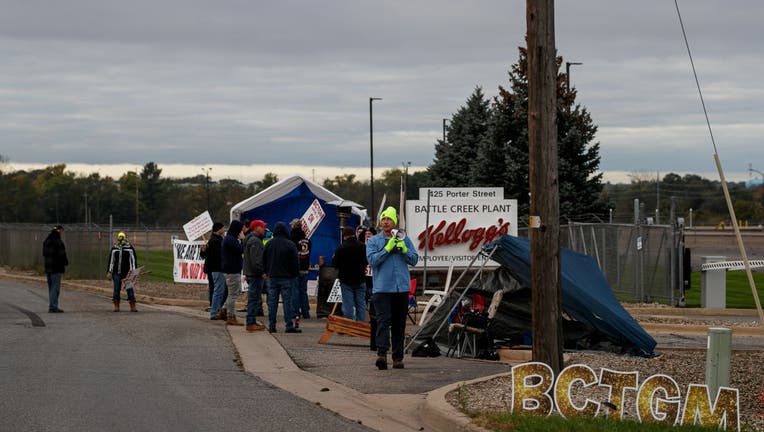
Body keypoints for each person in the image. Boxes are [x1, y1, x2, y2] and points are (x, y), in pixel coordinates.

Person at [366, 207, 418, 370]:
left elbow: (414, 259)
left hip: (401, 288)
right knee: (382, 322)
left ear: (394, 222)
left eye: (388, 219)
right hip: (382, 289)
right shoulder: (374, 241)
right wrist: (387, 249)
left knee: (399, 324)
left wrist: (404, 249)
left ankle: (398, 358)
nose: (386, 222)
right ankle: (382, 354)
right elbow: (372, 261)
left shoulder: (404, 238)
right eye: (383, 219)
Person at [263, 221, 300, 333]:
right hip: (287, 277)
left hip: (272, 277)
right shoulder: (290, 244)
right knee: (287, 302)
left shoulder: (269, 244)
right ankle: (288, 325)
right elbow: (295, 262)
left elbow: (263, 259)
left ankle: (272, 325)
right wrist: (295, 274)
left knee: (272, 302)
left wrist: (265, 272)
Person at [332, 226, 367, 322]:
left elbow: (335, 264)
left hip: (346, 280)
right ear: (354, 234)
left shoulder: (341, 248)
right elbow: (367, 261)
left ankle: (349, 324)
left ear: (344, 236)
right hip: (360, 278)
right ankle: (361, 324)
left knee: (348, 304)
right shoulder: (363, 246)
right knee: (361, 304)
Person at [243, 220, 267, 332]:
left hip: (251, 273)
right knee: (253, 299)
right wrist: (262, 272)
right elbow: (256, 260)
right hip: (255, 275)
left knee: (254, 299)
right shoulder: (255, 241)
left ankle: (252, 321)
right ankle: (250, 323)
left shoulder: (251, 239)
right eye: (262, 227)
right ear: (256, 228)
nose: (264, 229)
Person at [107, 231, 139, 312]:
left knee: (129, 288)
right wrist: (109, 271)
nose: (120, 239)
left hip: (128, 272)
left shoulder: (130, 248)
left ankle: (132, 305)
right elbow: (111, 261)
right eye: (119, 237)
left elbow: (133, 260)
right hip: (116, 272)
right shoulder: (114, 248)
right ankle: (116, 305)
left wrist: (134, 272)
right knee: (116, 288)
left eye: (122, 237)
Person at [221, 220, 245, 326]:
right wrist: (243, 240)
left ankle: (223, 310)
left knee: (234, 292)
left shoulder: (229, 238)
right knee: (233, 294)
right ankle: (230, 316)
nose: (241, 232)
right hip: (232, 270)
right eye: (240, 230)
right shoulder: (231, 240)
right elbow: (241, 249)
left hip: (230, 269)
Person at [202, 222, 228, 320]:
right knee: (217, 291)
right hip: (217, 269)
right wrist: (203, 250)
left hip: (216, 269)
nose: (224, 230)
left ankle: (217, 310)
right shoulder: (215, 241)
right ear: (218, 229)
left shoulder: (215, 240)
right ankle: (215, 312)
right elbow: (212, 256)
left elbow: (205, 255)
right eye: (223, 228)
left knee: (219, 291)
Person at [290, 218, 312, 325]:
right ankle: (306, 312)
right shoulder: (307, 239)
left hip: (295, 269)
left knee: (295, 291)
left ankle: (296, 312)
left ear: (293, 226)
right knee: (303, 291)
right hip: (305, 268)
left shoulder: (291, 239)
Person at [42, 224, 68, 313]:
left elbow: (44, 254)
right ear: (59, 231)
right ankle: (53, 306)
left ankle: (52, 305)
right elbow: (62, 255)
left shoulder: (47, 241)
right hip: (56, 268)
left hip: (48, 267)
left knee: (51, 287)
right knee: (55, 288)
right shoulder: (58, 242)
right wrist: (65, 263)